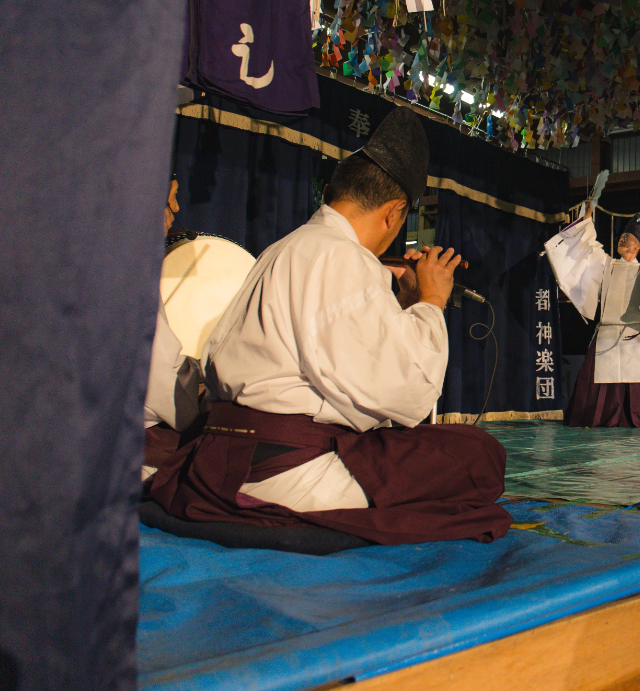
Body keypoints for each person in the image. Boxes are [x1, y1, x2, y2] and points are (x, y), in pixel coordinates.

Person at [151, 109, 511, 545]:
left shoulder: (282, 249)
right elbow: (410, 393)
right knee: (479, 454)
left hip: (223, 459)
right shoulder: (342, 258)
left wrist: (402, 301)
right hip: (290, 473)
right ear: (394, 213)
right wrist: (431, 301)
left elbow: (338, 350)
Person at [545, 213, 640, 428]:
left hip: (634, 333)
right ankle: (594, 418)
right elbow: (587, 249)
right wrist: (586, 221)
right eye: (622, 237)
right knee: (598, 379)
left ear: (639, 246)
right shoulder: (607, 265)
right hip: (606, 331)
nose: (622, 241)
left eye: (628, 238)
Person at [143, 175, 205, 482]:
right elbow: (159, 382)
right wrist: (198, 382)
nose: (176, 208)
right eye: (172, 197)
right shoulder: (129, 273)